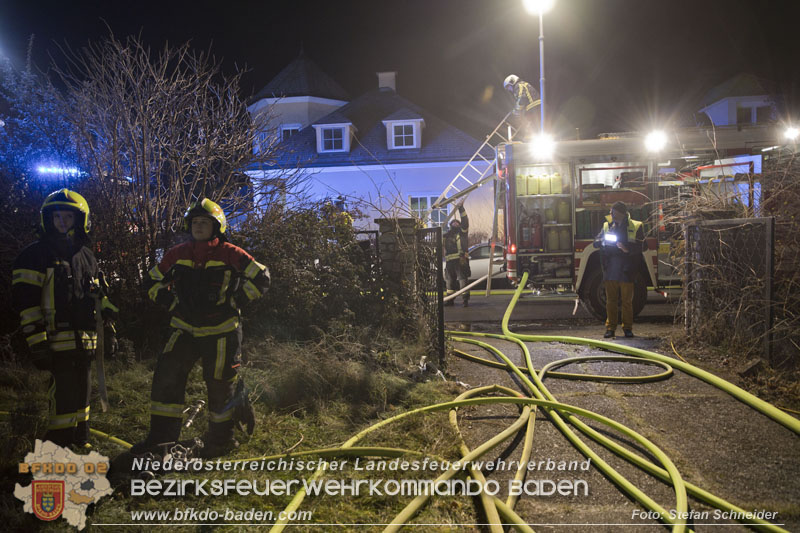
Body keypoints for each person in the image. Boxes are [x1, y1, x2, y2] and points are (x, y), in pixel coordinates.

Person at [132, 198, 269, 458]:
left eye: (204, 223)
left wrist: (237, 300)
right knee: (166, 378)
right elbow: (151, 280)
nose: (198, 227)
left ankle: (221, 440)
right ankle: (161, 440)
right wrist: (169, 303)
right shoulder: (178, 254)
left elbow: (262, 276)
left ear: (217, 227)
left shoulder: (232, 253)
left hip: (222, 331)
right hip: (184, 328)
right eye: (195, 222)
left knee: (220, 385)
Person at [11, 189, 117, 449]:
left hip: (86, 340)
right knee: (64, 392)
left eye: (68, 217)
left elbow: (100, 297)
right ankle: (56, 444)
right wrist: (37, 341)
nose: (62, 221)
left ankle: (80, 438)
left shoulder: (87, 256)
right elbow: (26, 303)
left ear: (80, 220)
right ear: (47, 219)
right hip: (56, 338)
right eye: (57, 216)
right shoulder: (35, 255)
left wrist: (110, 328)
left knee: (83, 389)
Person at [593, 201, 646, 338]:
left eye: (613, 212)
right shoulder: (607, 225)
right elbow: (596, 241)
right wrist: (601, 241)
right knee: (611, 300)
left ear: (621, 213)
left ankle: (627, 328)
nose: (611, 214)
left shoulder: (635, 226)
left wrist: (626, 249)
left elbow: (643, 246)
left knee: (627, 301)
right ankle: (610, 328)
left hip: (627, 268)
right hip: (611, 268)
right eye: (611, 212)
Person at [444, 202, 470, 307]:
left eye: (457, 222)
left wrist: (461, 208)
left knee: (463, 281)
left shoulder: (463, 232)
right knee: (450, 282)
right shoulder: (446, 235)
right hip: (449, 262)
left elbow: (465, 220)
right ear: (450, 225)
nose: (455, 223)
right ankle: (450, 300)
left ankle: (465, 300)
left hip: (461, 260)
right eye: (453, 222)